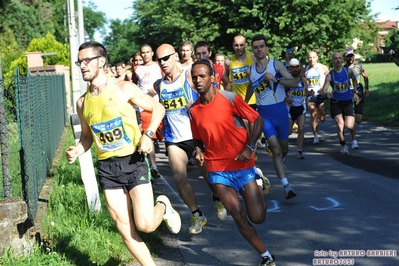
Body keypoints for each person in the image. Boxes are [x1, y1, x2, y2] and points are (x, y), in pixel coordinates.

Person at [65, 41, 181, 266]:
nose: (82, 66)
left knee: (145, 225)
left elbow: (158, 108)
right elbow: (88, 137)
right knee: (124, 228)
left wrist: (147, 135)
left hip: (133, 161)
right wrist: (77, 150)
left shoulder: (122, 88)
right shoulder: (82, 103)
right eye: (80, 62)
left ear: (101, 61)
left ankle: (163, 205)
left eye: (87, 60)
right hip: (107, 168)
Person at [189, 59, 275, 266]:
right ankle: (266, 256)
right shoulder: (193, 111)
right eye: (194, 77)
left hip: (242, 164)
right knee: (237, 214)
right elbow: (197, 139)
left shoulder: (230, 99)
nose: (198, 80)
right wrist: (198, 150)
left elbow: (257, 120)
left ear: (213, 78)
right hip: (217, 169)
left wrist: (251, 145)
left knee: (258, 217)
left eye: (202, 76)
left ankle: (258, 179)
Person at [154, 43, 227, 234]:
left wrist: (195, 105)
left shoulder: (188, 76)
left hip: (195, 137)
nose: (162, 63)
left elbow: (210, 95)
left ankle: (217, 199)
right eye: (159, 59)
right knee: (179, 177)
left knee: (208, 176)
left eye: (166, 58)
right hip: (174, 139)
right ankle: (197, 214)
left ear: (175, 57)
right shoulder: (159, 85)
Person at [245, 34, 298, 199]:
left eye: (261, 46)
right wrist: (243, 105)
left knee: (283, 149)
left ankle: (282, 162)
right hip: (264, 114)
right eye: (255, 47)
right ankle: (286, 186)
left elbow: (294, 82)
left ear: (266, 48)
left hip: (281, 112)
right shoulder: (251, 70)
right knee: (275, 149)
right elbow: (250, 89)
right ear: (253, 51)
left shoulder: (276, 65)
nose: (259, 49)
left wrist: (276, 80)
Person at [321, 52, 360, 154]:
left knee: (349, 125)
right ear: (332, 61)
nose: (338, 60)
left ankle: (354, 140)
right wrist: (327, 94)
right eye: (335, 59)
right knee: (340, 124)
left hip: (347, 101)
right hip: (336, 102)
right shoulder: (330, 75)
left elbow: (355, 80)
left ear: (342, 60)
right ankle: (343, 145)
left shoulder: (348, 71)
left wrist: (355, 92)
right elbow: (323, 90)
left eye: (339, 58)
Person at [135, 44, 165, 178]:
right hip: (144, 107)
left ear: (152, 53)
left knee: (162, 134)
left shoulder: (159, 65)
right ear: (140, 55)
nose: (146, 54)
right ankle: (153, 165)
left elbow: (166, 79)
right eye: (143, 52)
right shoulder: (137, 69)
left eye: (148, 52)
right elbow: (134, 85)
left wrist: (157, 87)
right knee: (150, 137)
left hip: (159, 105)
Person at [344, 49, 370, 149]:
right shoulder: (343, 69)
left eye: (352, 56)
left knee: (358, 120)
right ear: (345, 57)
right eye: (348, 56)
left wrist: (367, 88)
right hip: (347, 95)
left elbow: (366, 77)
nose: (350, 58)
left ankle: (353, 119)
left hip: (359, 94)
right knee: (351, 117)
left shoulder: (359, 67)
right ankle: (354, 140)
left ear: (354, 57)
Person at [302, 51, 329, 144]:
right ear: (307, 58)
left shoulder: (323, 67)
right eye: (310, 57)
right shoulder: (305, 69)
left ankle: (319, 115)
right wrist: (307, 92)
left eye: (313, 57)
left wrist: (325, 88)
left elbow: (329, 78)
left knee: (322, 118)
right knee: (313, 115)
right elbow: (304, 84)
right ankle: (316, 136)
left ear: (317, 58)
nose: (311, 59)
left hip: (321, 95)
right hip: (311, 96)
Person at [224, 34, 256, 103]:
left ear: (246, 45)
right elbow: (226, 82)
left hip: (253, 100)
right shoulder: (228, 62)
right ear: (233, 45)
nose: (239, 48)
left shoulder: (254, 59)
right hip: (237, 101)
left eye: (241, 45)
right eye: (236, 45)